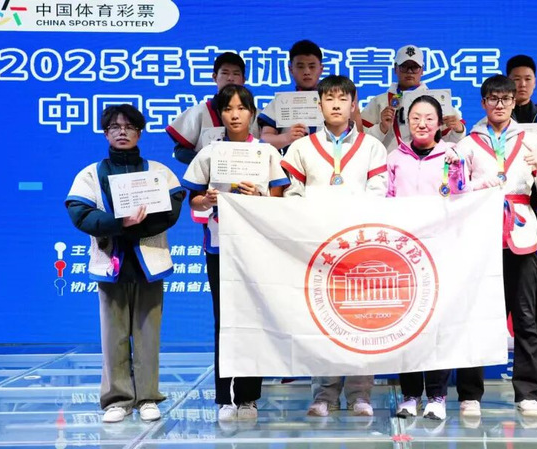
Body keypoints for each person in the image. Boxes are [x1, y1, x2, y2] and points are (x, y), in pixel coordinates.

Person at [65, 104, 185, 423]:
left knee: (148, 334)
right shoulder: (90, 174)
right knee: (113, 335)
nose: (122, 132)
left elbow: (171, 212)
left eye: (129, 127)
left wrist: (134, 225)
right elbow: (80, 213)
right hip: (111, 263)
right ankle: (117, 400)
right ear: (106, 133)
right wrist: (120, 223)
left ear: (139, 133)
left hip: (149, 264)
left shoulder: (159, 172)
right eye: (115, 127)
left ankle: (147, 397)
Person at [455, 75, 537, 418]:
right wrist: (475, 186)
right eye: (493, 98)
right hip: (480, 235)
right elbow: (453, 188)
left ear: (515, 102)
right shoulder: (467, 144)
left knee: (526, 317)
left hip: (521, 235)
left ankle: (527, 392)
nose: (499, 105)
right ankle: (470, 394)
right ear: (483, 103)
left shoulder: (532, 141)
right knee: (476, 317)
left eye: (505, 99)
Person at [181, 84, 290, 422]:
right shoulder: (210, 153)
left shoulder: (267, 153)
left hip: (257, 249)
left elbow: (281, 200)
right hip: (220, 246)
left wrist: (260, 197)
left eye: (242, 108)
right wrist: (208, 199)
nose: (235, 115)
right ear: (220, 115)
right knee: (225, 321)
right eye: (228, 109)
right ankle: (225, 398)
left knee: (254, 320)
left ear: (252, 113)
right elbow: (193, 201)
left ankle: (248, 398)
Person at [281, 75, 387, 416]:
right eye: (329, 99)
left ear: (354, 104)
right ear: (319, 104)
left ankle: (360, 394)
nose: (337, 105)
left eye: (343, 99)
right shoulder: (301, 147)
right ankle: (324, 394)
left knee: (361, 320)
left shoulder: (372, 146)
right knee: (322, 320)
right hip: (318, 247)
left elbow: (379, 193)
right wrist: (313, 220)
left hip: (359, 247)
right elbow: (292, 193)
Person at [387, 95, 465, 421]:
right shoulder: (395, 157)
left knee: (437, 325)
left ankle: (436, 396)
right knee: (407, 324)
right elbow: (386, 200)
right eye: (416, 117)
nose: (422, 123)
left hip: (440, 252)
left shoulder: (452, 155)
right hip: (404, 254)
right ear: (407, 121)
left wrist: (457, 171)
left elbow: (461, 196)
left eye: (429, 118)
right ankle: (409, 395)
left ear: (439, 123)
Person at [362, 45, 465, 153]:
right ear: (395, 69)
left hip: (428, 162)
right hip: (389, 162)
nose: (409, 71)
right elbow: (362, 142)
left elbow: (453, 143)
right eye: (404, 66)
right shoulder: (379, 102)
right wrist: (381, 128)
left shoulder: (437, 100)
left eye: (415, 67)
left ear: (422, 70)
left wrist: (458, 129)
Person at [167, 52, 247, 164]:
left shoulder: (257, 115)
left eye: (236, 74)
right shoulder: (199, 112)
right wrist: (207, 163)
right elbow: (180, 152)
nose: (230, 78)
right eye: (225, 73)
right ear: (214, 77)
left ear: (243, 80)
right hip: (206, 174)